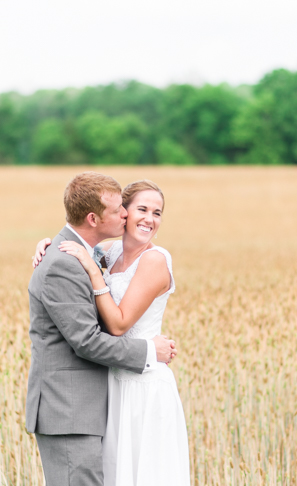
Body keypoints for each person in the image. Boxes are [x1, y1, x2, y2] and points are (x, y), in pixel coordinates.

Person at [32, 178, 190, 486]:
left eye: (157, 213)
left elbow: (118, 325)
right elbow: (76, 241)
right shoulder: (107, 253)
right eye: (140, 209)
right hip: (110, 389)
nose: (150, 219)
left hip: (143, 385)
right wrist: (45, 245)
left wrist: (92, 272)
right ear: (124, 214)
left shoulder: (155, 260)